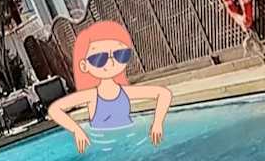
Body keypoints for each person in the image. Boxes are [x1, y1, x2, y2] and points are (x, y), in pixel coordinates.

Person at [47, 21, 172, 154]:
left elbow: (163, 94)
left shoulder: (125, 92)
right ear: (84, 66)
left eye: (120, 55)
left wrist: (157, 124)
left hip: (128, 142)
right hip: (106, 146)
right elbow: (54, 110)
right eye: (99, 58)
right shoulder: (92, 96)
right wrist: (77, 130)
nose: (111, 62)